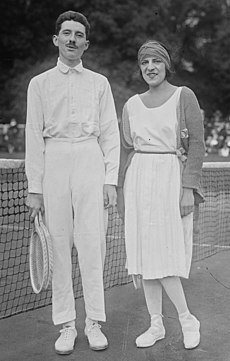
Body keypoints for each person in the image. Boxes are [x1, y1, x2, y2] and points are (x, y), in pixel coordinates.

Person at [25, 11, 120, 355]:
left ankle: (93, 321)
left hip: (90, 161)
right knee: (59, 245)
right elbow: (34, 136)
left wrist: (111, 180)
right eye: (66, 33)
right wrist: (35, 187)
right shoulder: (39, 84)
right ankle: (67, 324)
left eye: (78, 35)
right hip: (55, 162)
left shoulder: (99, 83)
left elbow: (110, 132)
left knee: (93, 244)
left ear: (86, 44)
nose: (72, 39)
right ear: (56, 39)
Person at [117, 40, 205, 350]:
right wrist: (120, 195)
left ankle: (186, 319)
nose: (150, 67)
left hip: (171, 179)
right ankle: (156, 324)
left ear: (166, 65)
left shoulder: (184, 96)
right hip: (138, 182)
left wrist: (187, 189)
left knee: (165, 257)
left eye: (156, 61)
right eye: (145, 63)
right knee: (143, 256)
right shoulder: (131, 105)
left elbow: (197, 145)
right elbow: (126, 151)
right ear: (140, 68)